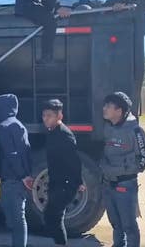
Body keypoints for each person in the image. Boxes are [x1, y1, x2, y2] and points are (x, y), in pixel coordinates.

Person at [101, 92, 145, 247]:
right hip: (108, 184)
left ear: (119, 110)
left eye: (109, 106)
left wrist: (121, 169)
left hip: (125, 185)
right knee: (116, 224)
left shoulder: (135, 131)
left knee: (129, 226)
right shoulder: (107, 128)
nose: (104, 108)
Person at [41, 99, 85, 247]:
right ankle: (60, 243)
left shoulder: (64, 135)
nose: (45, 119)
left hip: (65, 184)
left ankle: (61, 244)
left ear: (59, 116)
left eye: (49, 116)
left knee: (54, 216)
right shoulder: (52, 132)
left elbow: (74, 161)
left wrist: (78, 182)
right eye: (44, 115)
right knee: (51, 216)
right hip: (56, 182)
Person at [0, 94, 32, 247]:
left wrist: (22, 175)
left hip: (11, 179)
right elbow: (25, 152)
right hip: (18, 179)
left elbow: (11, 154)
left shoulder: (4, 127)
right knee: (18, 218)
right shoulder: (19, 125)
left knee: (16, 219)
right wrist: (26, 174)